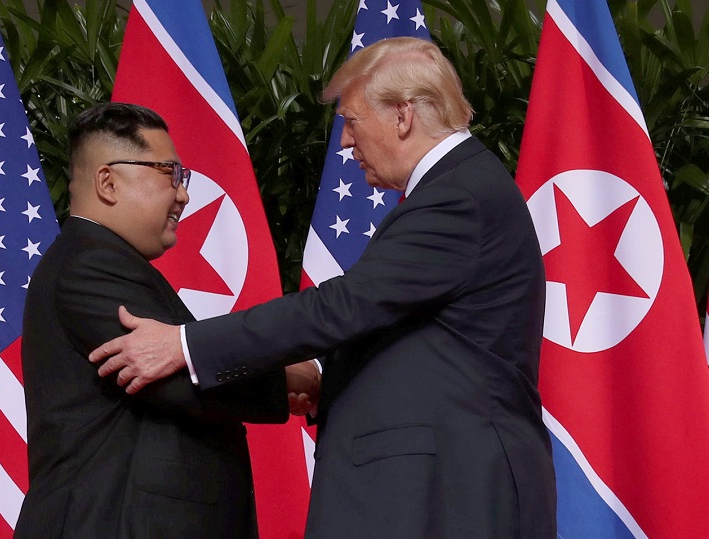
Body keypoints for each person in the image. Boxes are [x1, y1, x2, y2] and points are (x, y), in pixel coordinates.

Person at [90, 37, 557, 538]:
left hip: (454, 491)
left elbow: (342, 306)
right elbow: (406, 332)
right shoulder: (459, 189)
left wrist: (184, 344)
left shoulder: (458, 198)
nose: (346, 143)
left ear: (402, 115)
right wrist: (321, 378)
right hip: (438, 488)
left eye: (352, 121)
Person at [14, 102, 292, 538]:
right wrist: (296, 378)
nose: (183, 194)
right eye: (169, 173)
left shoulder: (103, 260)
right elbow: (182, 378)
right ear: (107, 181)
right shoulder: (90, 264)